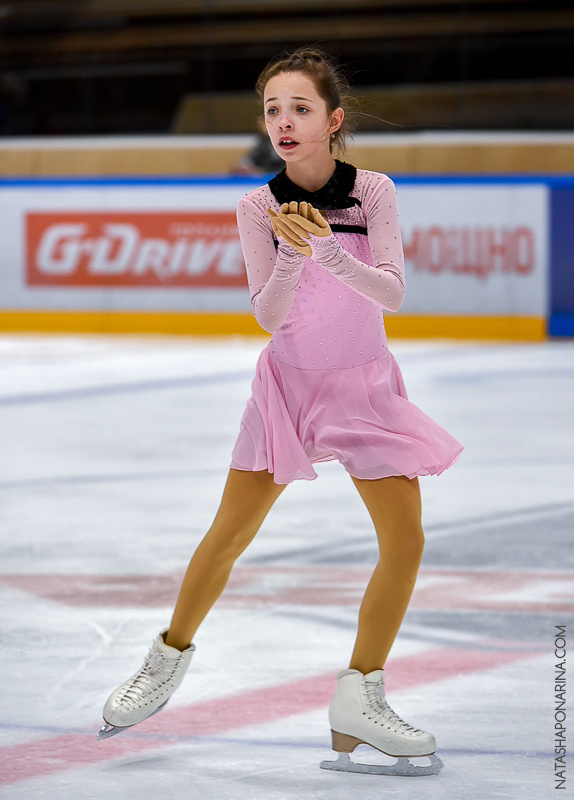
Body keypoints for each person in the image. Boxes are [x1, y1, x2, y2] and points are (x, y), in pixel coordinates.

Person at [98, 47, 463, 778]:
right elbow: (267, 315)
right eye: (272, 110)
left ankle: (360, 694)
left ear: (333, 120)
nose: (284, 122)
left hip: (364, 389)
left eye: (299, 108)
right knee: (229, 534)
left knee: (407, 540)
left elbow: (391, 292)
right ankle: (164, 660)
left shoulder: (375, 193)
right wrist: (294, 255)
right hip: (288, 388)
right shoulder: (257, 206)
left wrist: (327, 252)